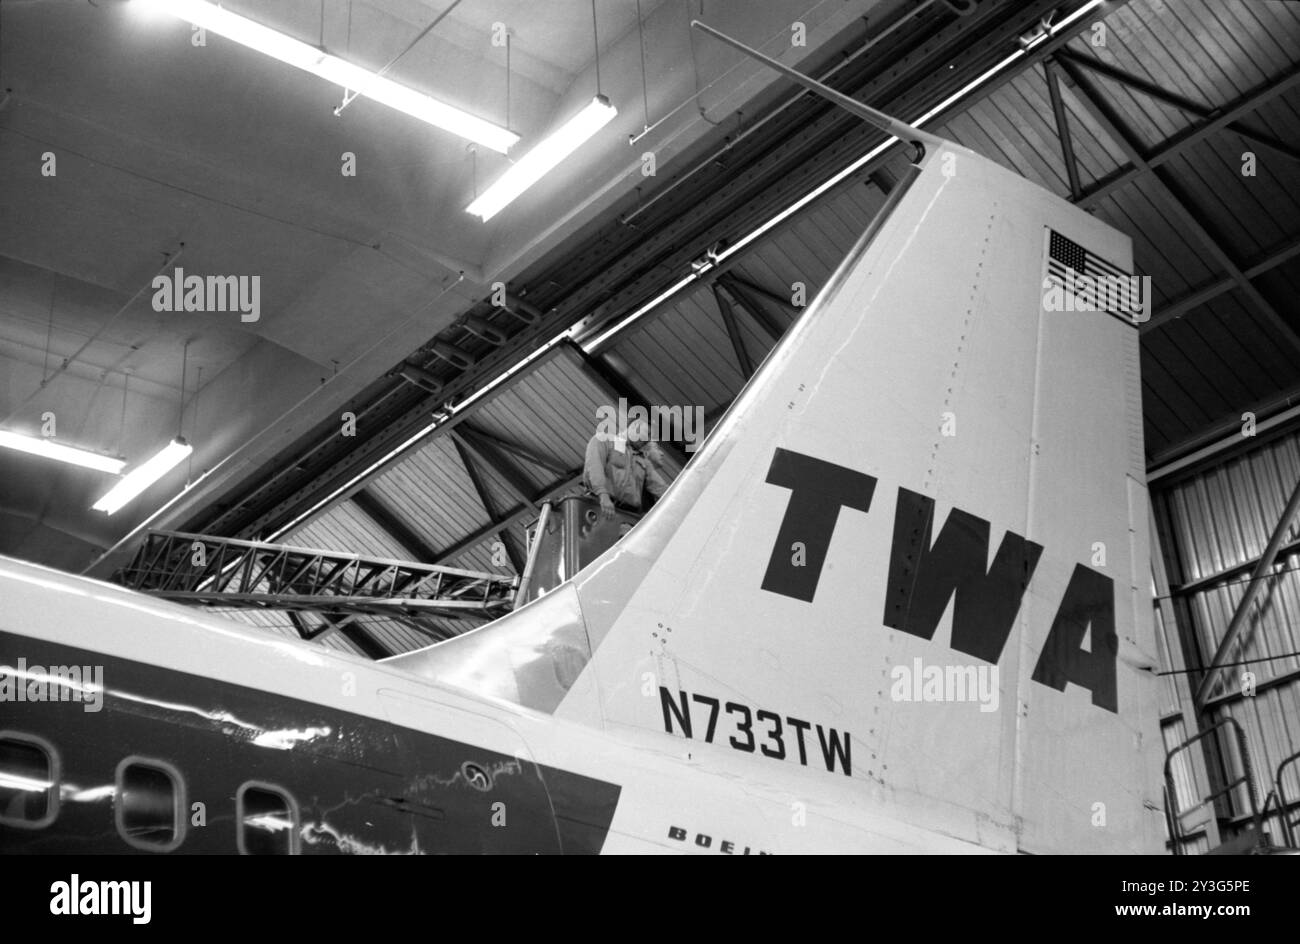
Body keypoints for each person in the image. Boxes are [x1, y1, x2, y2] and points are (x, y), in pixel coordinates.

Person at [583, 418, 671, 519]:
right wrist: (603, 495)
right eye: (648, 433)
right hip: (599, 506)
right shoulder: (604, 441)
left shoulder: (643, 461)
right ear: (635, 426)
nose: (648, 440)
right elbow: (594, 467)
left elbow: (660, 487)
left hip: (627, 515)